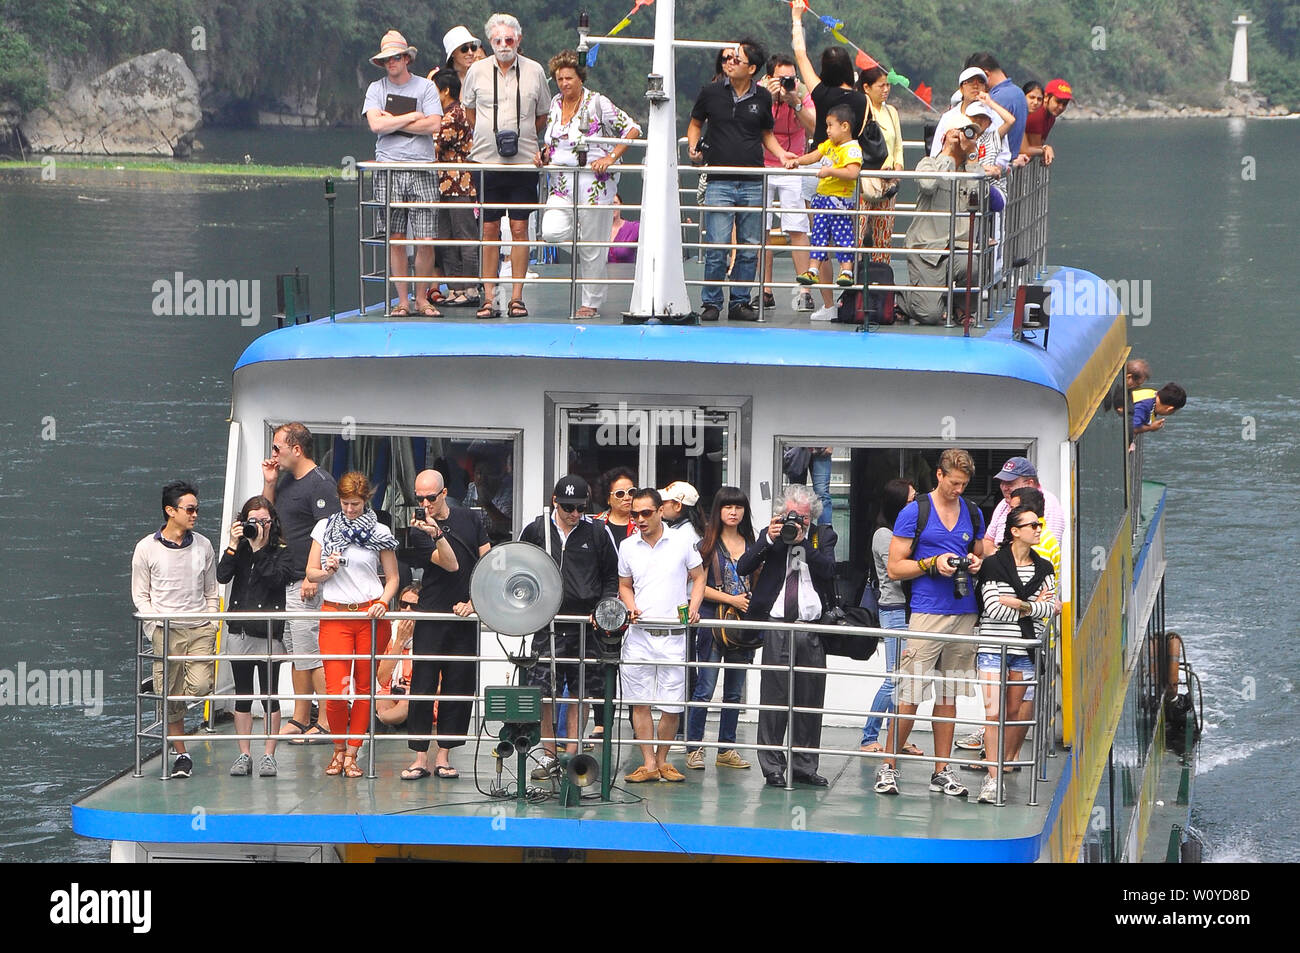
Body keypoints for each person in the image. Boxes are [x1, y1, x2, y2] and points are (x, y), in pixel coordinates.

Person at [877, 448, 986, 798]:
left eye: (964, 484)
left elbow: (982, 550)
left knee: (949, 695)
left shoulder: (972, 511)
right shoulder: (915, 512)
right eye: (954, 482)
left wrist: (976, 562)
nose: (958, 489)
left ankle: (942, 770)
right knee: (909, 694)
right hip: (926, 613)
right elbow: (895, 567)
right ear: (939, 475)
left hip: (964, 611)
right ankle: (889, 765)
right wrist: (931, 564)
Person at [687, 38, 795, 323]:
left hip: (752, 180)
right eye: (729, 59)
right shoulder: (710, 92)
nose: (730, 63)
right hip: (719, 179)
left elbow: (766, 134)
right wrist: (693, 147)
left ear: (752, 69)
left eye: (737, 59)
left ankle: (739, 301)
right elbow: (696, 122)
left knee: (748, 247)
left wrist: (783, 155)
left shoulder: (762, 97)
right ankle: (711, 302)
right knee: (718, 245)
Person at [520, 475, 620, 779]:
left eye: (579, 507)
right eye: (567, 508)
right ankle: (549, 754)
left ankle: (574, 753)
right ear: (555, 501)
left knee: (581, 691)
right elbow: (519, 570)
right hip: (546, 622)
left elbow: (611, 578)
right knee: (544, 692)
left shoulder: (598, 532)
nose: (574, 514)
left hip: (584, 624)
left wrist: (602, 611)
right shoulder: (537, 530)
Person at [739, 483, 838, 787]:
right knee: (774, 698)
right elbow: (744, 566)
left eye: (805, 518)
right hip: (778, 624)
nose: (799, 522)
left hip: (811, 628)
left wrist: (804, 542)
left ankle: (805, 766)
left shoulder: (823, 536)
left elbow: (829, 570)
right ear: (782, 514)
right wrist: (769, 539)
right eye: (793, 516)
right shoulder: (772, 536)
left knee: (809, 699)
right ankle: (772, 768)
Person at [305, 472, 399, 779]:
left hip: (370, 616)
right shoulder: (325, 528)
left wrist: (383, 601)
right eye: (345, 504)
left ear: (366, 501)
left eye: (355, 504)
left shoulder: (380, 531)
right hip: (335, 615)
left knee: (362, 689)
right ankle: (338, 748)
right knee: (334, 691)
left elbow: (393, 578)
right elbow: (310, 573)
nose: (349, 510)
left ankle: (353, 752)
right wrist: (326, 570)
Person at [536, 50, 641, 318]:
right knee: (551, 231)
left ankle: (591, 302)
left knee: (594, 244)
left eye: (568, 78)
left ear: (580, 78)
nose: (564, 84)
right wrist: (544, 154)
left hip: (595, 183)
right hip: (561, 182)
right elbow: (553, 140)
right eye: (559, 79)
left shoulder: (598, 103)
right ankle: (589, 248)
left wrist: (611, 156)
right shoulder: (555, 104)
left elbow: (632, 128)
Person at [402, 469, 490, 780]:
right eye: (419, 497)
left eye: (430, 497)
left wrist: (475, 602)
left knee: (459, 685)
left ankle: (445, 755)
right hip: (433, 613)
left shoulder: (472, 520)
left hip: (464, 615)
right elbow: (450, 564)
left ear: (444, 493)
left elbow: (487, 564)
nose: (424, 503)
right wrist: (435, 533)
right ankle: (419, 756)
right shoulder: (418, 529)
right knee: (423, 686)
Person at [462, 13, 550, 319]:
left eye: (509, 40)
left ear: (519, 40)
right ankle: (488, 296)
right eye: (498, 40)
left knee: (519, 228)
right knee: (488, 229)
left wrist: (525, 136)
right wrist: (489, 133)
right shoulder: (476, 71)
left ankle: (516, 297)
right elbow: (469, 111)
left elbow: (542, 115)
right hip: (486, 161)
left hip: (523, 163)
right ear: (490, 42)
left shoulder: (535, 71)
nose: (503, 45)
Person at [617, 488, 706, 782]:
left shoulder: (683, 541)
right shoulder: (628, 546)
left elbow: (699, 576)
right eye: (634, 514)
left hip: (674, 634)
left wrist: (693, 607)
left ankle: (664, 760)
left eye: (645, 513)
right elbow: (624, 584)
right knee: (639, 701)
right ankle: (649, 762)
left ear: (659, 511)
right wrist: (630, 607)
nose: (639, 519)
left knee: (671, 703)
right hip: (639, 634)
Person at [132, 480, 218, 779]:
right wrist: (156, 624)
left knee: (201, 686)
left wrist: (212, 620)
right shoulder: (146, 548)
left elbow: (211, 590)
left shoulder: (204, 545)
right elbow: (141, 595)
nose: (195, 515)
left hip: (199, 628)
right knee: (171, 697)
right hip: (165, 631)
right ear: (171, 511)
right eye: (190, 509)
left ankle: (158, 684)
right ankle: (182, 754)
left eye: (197, 509)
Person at [973, 504, 1059, 804]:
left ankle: (995, 770)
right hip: (992, 649)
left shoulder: (1045, 568)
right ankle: (993, 779)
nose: (1038, 529)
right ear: (1014, 531)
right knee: (994, 713)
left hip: (1024, 650)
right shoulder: (993, 565)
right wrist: (1034, 605)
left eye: (1039, 524)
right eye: (1032, 525)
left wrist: (1020, 604)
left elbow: (1050, 611)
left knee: (1011, 713)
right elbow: (992, 609)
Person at [261, 422, 338, 744]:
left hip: (310, 583)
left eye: (278, 447)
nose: (273, 453)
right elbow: (265, 516)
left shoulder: (320, 484)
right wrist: (269, 483)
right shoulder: (288, 483)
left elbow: (333, 534)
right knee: (298, 651)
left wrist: (313, 575)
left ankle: (330, 722)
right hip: (289, 581)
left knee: (313, 653)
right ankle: (301, 718)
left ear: (297, 449)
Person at [790, 0, 867, 319]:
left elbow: (799, 54)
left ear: (826, 71)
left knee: (818, 232)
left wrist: (797, 18)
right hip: (849, 172)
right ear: (850, 68)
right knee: (846, 235)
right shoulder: (862, 99)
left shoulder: (820, 94)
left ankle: (826, 304)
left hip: (819, 168)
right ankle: (848, 294)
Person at [362, 30, 443, 316]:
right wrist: (411, 117)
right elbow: (375, 126)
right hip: (388, 169)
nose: (391, 63)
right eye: (386, 59)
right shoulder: (376, 89)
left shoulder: (426, 88)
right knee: (395, 237)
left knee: (425, 238)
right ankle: (403, 301)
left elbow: (434, 125)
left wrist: (392, 121)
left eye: (396, 57)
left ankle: (421, 299)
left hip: (422, 168)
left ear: (406, 58)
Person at [217, 495, 293, 778]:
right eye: (253, 522)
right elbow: (222, 576)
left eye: (264, 522)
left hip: (269, 633)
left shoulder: (282, 551)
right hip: (240, 630)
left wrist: (260, 548)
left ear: (273, 523)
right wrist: (234, 545)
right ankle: (244, 753)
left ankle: (269, 755)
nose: (259, 527)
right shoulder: (240, 551)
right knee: (242, 695)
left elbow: (276, 579)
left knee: (270, 697)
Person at [685, 486, 757, 770]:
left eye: (738, 507)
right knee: (705, 687)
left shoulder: (752, 544)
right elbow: (696, 587)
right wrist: (733, 600)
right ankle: (694, 747)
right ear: (718, 510)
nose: (733, 512)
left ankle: (726, 749)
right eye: (728, 506)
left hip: (741, 626)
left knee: (734, 692)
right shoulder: (705, 545)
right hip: (712, 623)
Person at [898, 126, 982, 325]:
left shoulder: (973, 169)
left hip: (957, 247)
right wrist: (947, 152)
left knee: (972, 263)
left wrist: (971, 159)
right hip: (927, 249)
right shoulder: (928, 163)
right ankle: (903, 298)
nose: (963, 137)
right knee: (931, 315)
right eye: (958, 133)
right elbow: (927, 185)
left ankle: (961, 307)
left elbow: (978, 200)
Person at [859, 479, 914, 753]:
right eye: (911, 499)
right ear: (898, 504)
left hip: (905, 611)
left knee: (902, 679)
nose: (916, 505)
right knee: (894, 678)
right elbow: (897, 570)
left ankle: (896, 739)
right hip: (893, 611)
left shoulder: (899, 532)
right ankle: (869, 737)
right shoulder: (884, 534)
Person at [786, 102, 863, 296]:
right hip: (822, 199)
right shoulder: (829, 146)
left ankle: (846, 270)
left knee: (843, 236)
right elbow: (813, 156)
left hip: (839, 201)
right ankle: (812, 270)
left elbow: (852, 172)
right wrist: (797, 161)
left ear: (845, 126)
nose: (827, 130)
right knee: (819, 235)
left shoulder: (852, 149)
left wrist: (829, 171)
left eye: (830, 125)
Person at [758, 53, 815, 310]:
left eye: (791, 78)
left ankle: (804, 290)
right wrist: (766, 99)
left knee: (798, 228)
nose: (787, 83)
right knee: (762, 230)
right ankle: (764, 289)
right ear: (769, 77)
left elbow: (814, 127)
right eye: (782, 79)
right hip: (763, 164)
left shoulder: (802, 92)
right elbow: (751, 124)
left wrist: (796, 103)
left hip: (794, 163)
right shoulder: (758, 92)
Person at [431, 70, 481, 309]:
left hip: (460, 184)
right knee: (446, 238)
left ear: (445, 91)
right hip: (444, 185)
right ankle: (455, 288)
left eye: (434, 89)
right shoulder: (447, 114)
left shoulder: (454, 115)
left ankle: (470, 288)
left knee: (465, 237)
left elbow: (434, 144)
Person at [857, 66, 904, 262]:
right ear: (866, 87)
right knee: (858, 233)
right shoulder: (861, 109)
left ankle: (881, 276)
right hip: (865, 180)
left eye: (888, 85)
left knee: (883, 235)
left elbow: (898, 147)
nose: (886, 89)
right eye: (881, 86)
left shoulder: (891, 111)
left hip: (888, 181)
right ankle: (855, 278)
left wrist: (897, 171)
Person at [981, 456, 1066, 553]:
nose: (1004, 488)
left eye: (1009, 483)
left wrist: (1004, 560)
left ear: (1030, 483)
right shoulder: (1004, 503)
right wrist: (1000, 559)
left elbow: (1045, 549)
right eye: (1002, 482)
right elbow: (987, 541)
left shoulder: (1048, 504)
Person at [965, 53, 1029, 159]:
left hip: (994, 164)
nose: (975, 86)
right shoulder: (1019, 93)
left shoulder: (996, 99)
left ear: (986, 75)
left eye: (976, 80)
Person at [376, 584, 422, 727]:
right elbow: (382, 679)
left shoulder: (431, 639)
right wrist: (400, 642)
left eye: (413, 606)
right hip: (391, 691)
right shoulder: (390, 634)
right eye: (403, 604)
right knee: (382, 703)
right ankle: (384, 718)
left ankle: (385, 720)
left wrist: (411, 689)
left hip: (418, 694)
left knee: (406, 703)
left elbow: (441, 685)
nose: (407, 610)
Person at [1022, 78, 1072, 165]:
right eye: (1058, 101)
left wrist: (1044, 149)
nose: (1060, 107)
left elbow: (1039, 145)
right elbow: (1033, 147)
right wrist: (1046, 148)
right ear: (1046, 97)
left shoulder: (1051, 116)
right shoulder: (1037, 114)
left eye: (1064, 104)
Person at [596, 466, 639, 548]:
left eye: (631, 492)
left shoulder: (642, 522)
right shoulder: (596, 524)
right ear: (608, 498)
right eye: (620, 494)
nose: (627, 498)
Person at [660, 481, 704, 547]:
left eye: (664, 502)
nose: (660, 506)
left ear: (678, 506)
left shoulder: (683, 535)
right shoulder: (688, 529)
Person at [607, 194, 639, 264]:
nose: (612, 206)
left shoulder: (633, 228)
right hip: (601, 274)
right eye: (609, 204)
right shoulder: (599, 230)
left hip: (626, 274)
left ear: (621, 205)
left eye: (615, 203)